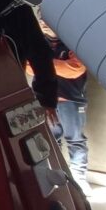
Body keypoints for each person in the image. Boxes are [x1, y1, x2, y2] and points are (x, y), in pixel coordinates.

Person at [37, 20, 93, 196]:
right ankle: (57, 174)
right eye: (41, 19)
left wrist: (43, 65)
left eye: (47, 19)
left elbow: (75, 69)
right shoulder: (39, 43)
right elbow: (30, 68)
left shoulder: (73, 43)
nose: (43, 23)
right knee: (51, 140)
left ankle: (79, 179)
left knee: (75, 140)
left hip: (71, 100)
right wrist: (55, 66)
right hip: (46, 101)